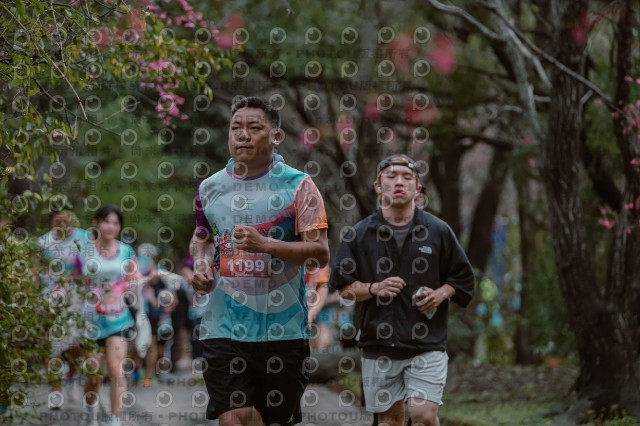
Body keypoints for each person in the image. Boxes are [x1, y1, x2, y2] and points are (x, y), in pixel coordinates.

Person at [190, 96, 329, 426]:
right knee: (232, 418)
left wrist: (266, 244)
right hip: (223, 327)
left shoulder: (300, 186)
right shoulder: (210, 188)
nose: (243, 135)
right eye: (236, 128)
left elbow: (320, 252)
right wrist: (200, 264)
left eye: (254, 128)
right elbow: (201, 237)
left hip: (283, 331)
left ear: (276, 136)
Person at [329, 154, 475, 426]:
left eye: (407, 177)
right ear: (378, 186)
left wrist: (440, 294)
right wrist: (375, 288)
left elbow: (463, 277)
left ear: (418, 189)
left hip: (427, 343)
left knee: (424, 415)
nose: (399, 182)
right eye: (391, 176)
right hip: (378, 345)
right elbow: (343, 288)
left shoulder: (438, 230)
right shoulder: (359, 234)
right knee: (390, 421)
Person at [74, 205, 147, 426]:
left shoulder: (126, 252)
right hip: (90, 322)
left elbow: (135, 278)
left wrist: (142, 281)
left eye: (116, 223)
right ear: (96, 222)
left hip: (118, 319)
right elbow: (74, 280)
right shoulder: (84, 251)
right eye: (106, 221)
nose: (111, 227)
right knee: (94, 375)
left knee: (116, 370)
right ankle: (90, 410)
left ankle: (115, 420)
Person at [38, 207, 90, 408]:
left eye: (67, 219)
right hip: (48, 298)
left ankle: (70, 375)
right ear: (52, 220)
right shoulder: (43, 243)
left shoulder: (85, 238)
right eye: (58, 220)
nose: (63, 223)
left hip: (76, 299)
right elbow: (36, 269)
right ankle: (55, 390)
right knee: (51, 345)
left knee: (75, 345)